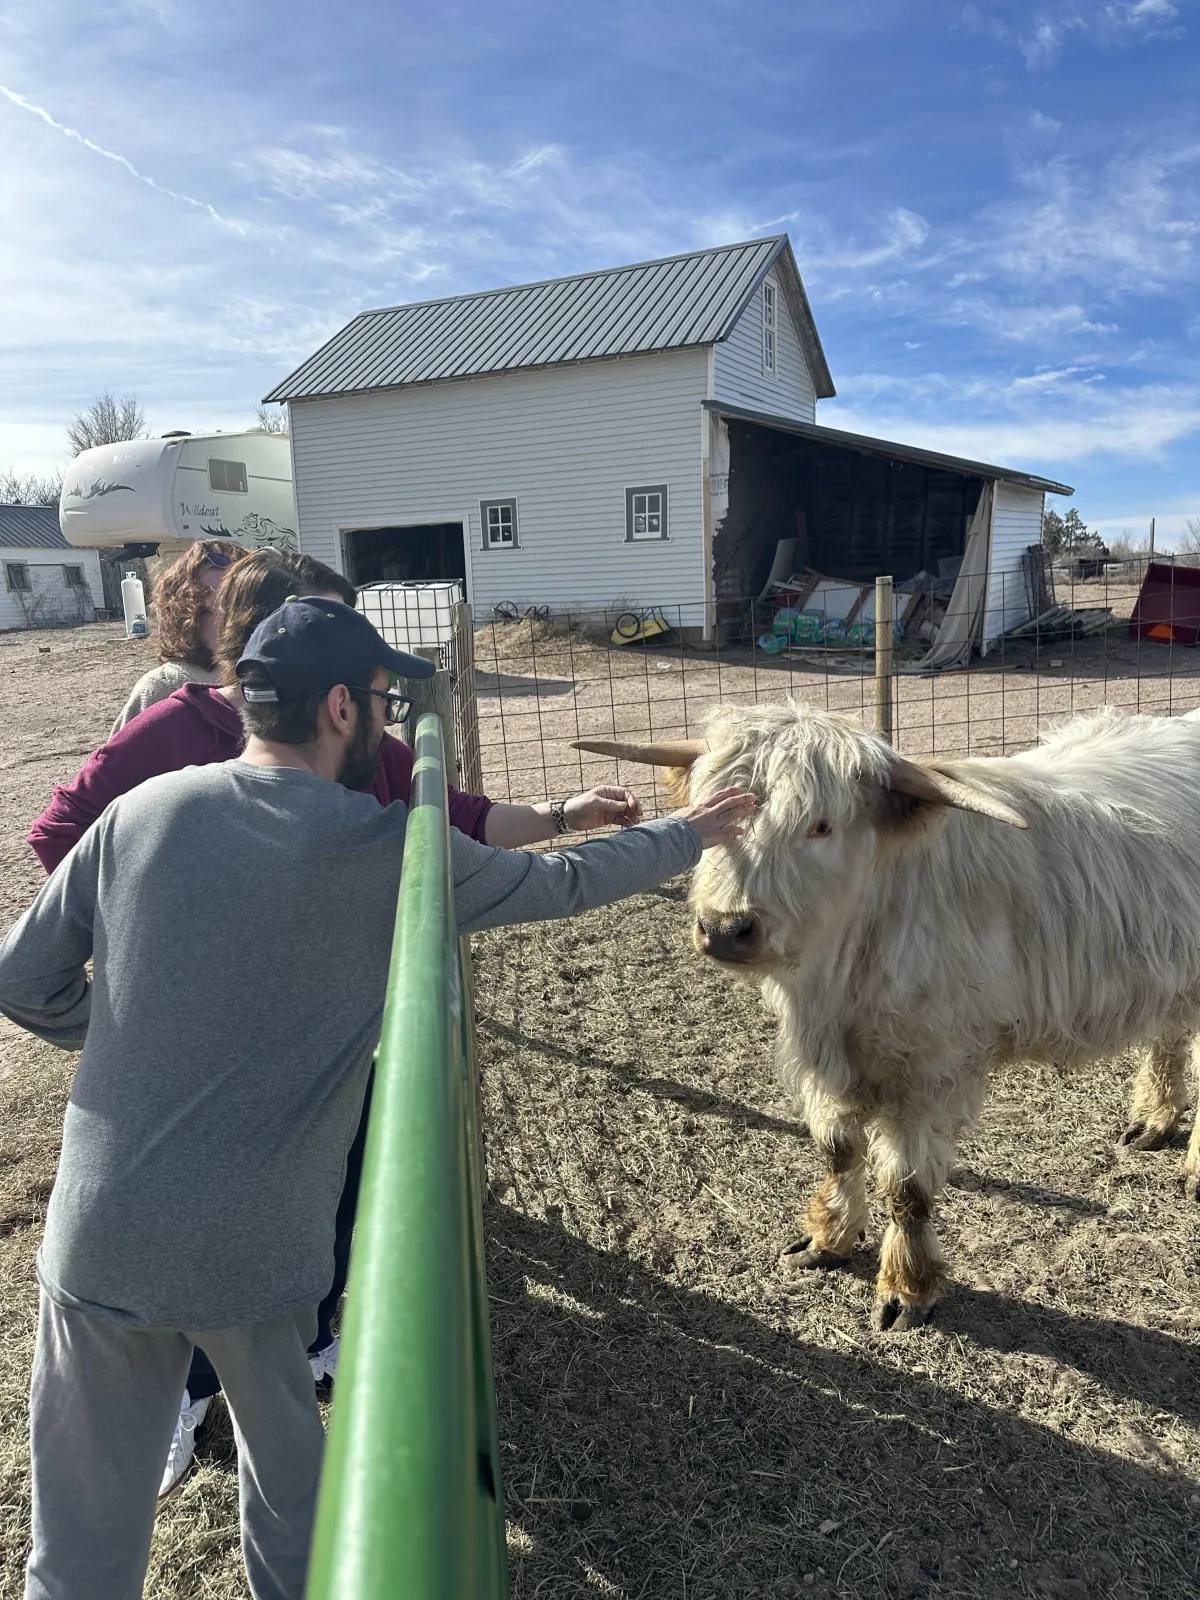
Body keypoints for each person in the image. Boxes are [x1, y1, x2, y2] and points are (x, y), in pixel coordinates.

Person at [0, 595, 754, 1600]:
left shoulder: (143, 810)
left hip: (97, 1238)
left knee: (77, 1558)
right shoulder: (392, 848)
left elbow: (22, 981)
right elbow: (567, 881)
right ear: (345, 710)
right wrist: (689, 832)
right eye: (389, 710)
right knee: (291, 1493)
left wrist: (144, 1041)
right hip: (257, 1249)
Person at [109, 539, 244, 735]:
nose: (231, 619)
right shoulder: (164, 686)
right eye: (210, 609)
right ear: (185, 615)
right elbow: (119, 763)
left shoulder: (278, 676)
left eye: (239, 602)